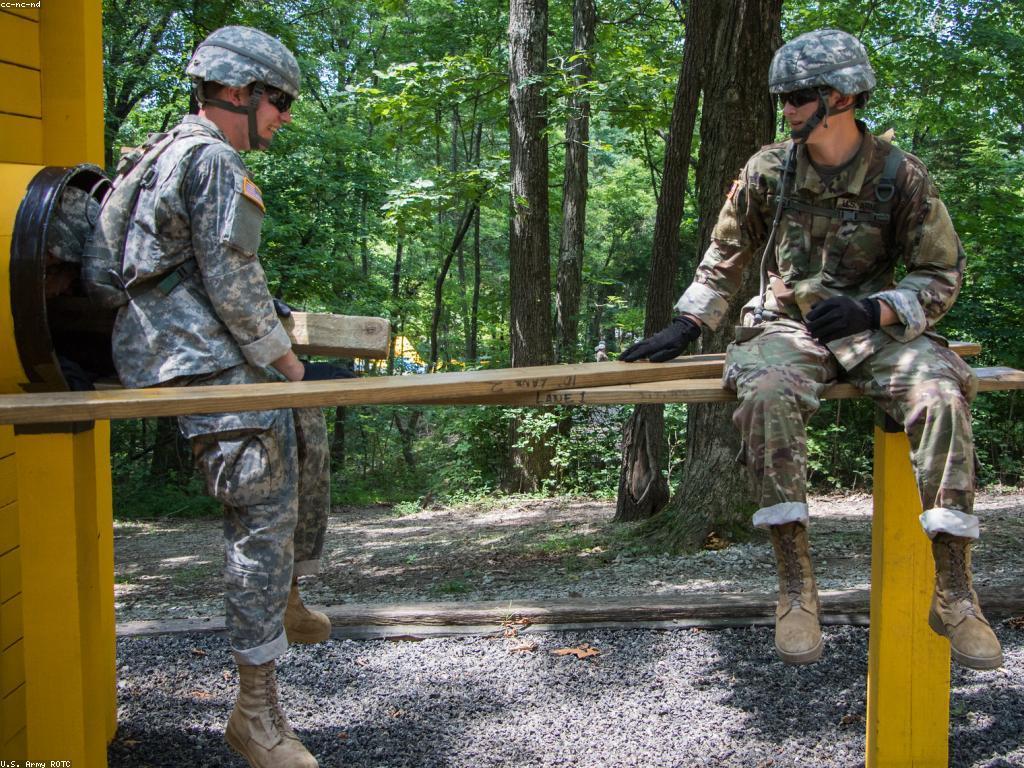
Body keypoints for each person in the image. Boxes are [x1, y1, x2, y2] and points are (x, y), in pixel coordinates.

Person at [621, 28, 1001, 670]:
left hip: (876, 328)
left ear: (844, 96)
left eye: (799, 97)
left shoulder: (898, 175)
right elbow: (726, 254)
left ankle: (956, 592)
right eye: (784, 98)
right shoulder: (769, 169)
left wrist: (874, 307)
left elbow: (940, 273)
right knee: (765, 391)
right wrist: (688, 325)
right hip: (785, 324)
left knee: (941, 392)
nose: (789, 109)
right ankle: (796, 588)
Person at [109, 26, 350, 767]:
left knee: (303, 426)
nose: (283, 117)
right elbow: (233, 277)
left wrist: (291, 374)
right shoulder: (213, 159)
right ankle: (254, 715)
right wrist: (289, 363)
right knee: (260, 521)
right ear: (238, 92)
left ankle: (288, 592)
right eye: (279, 102)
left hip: (184, 352)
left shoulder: (155, 154)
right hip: (201, 362)